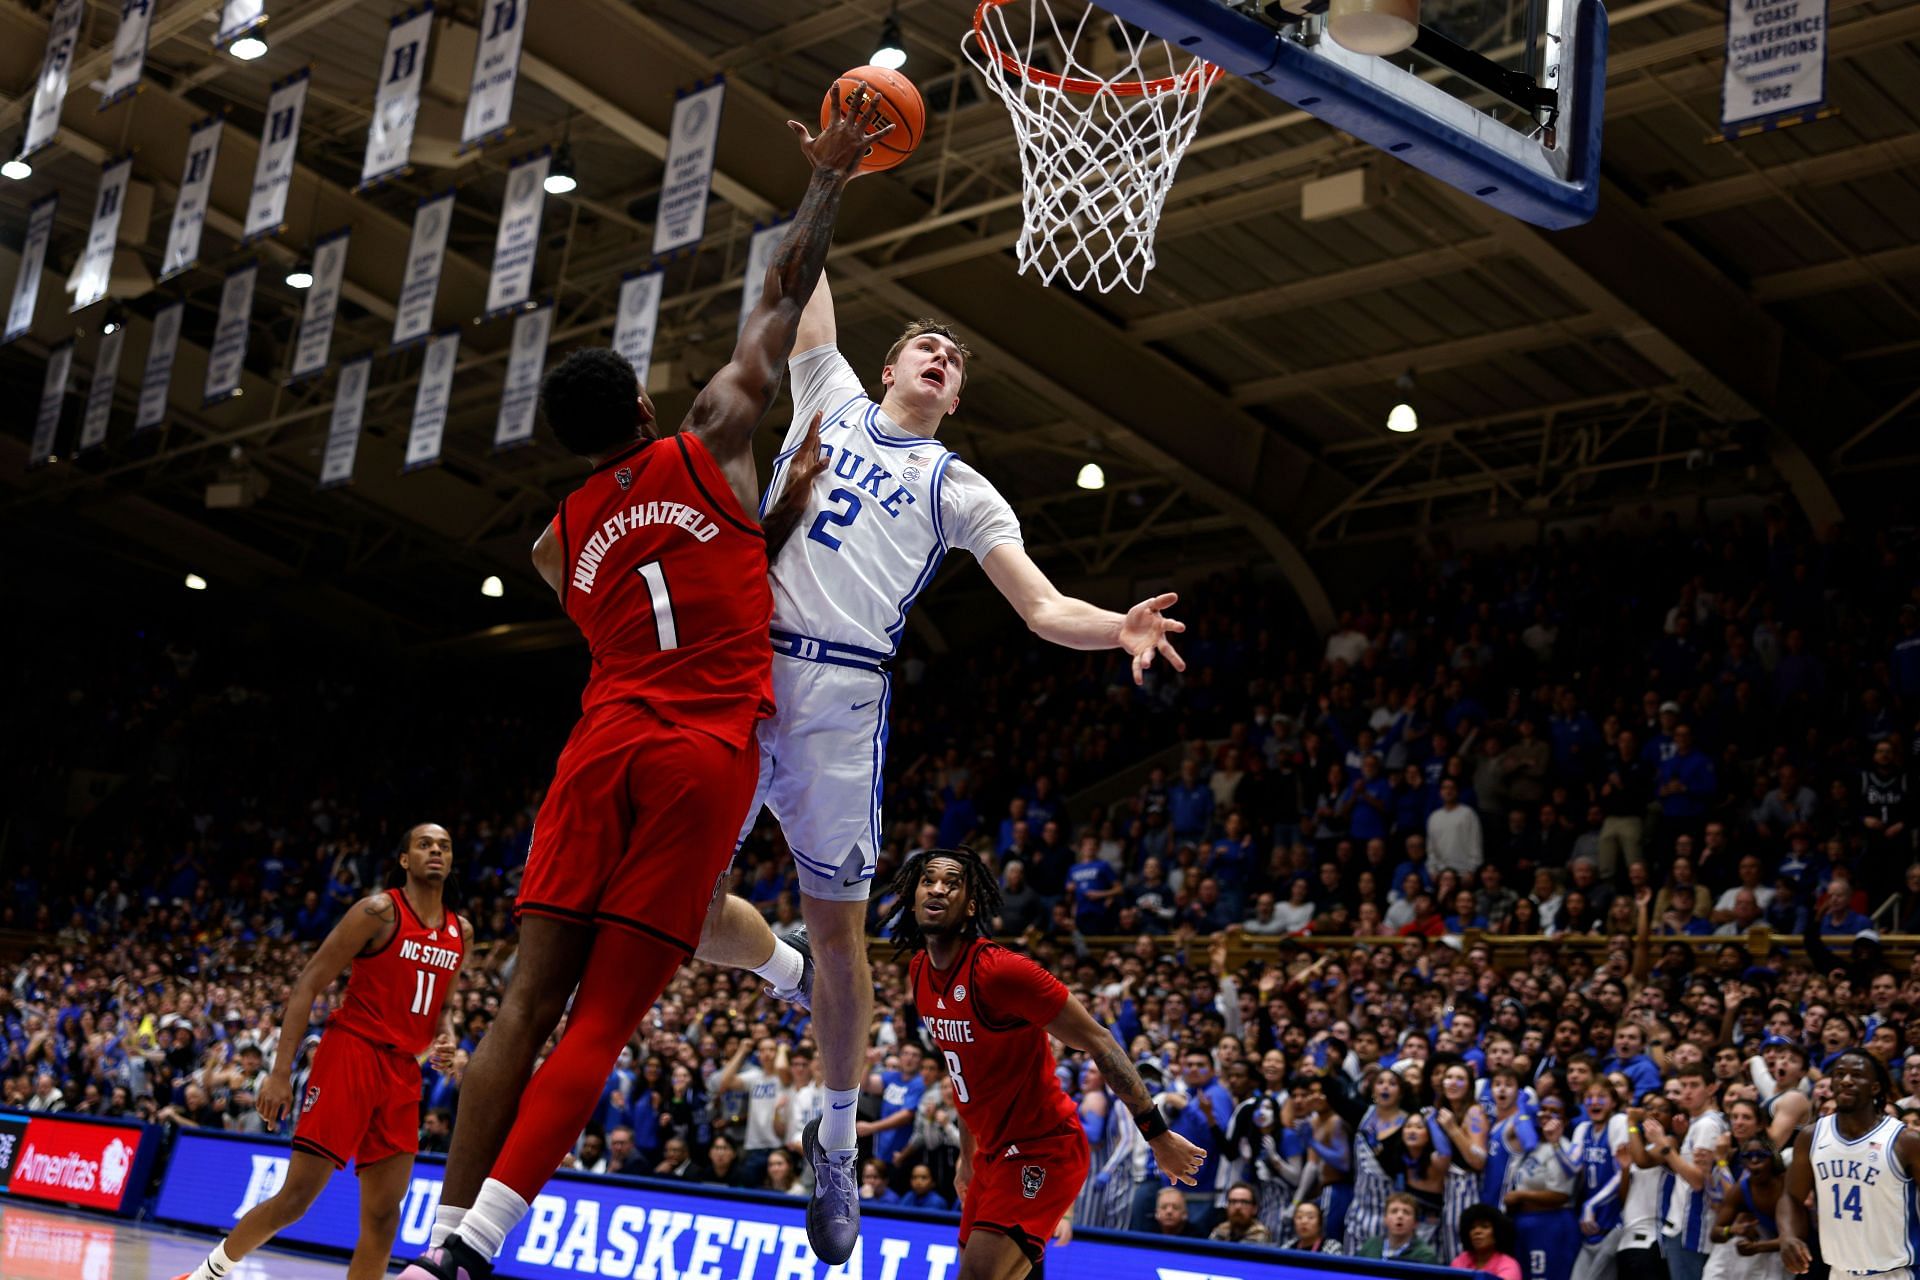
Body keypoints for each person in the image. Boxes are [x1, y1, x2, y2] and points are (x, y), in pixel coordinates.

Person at [396, 97, 884, 1280]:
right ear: (649, 411)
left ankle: (434, 1245)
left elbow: (661, 592)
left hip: (598, 744)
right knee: (604, 1017)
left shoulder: (558, 544)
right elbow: (781, 293)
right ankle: (477, 1250)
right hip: (697, 753)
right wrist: (825, 181)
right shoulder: (711, 431)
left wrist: (761, 523)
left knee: (523, 1003)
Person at [687, 224, 1188, 1265]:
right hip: (745, 667)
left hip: (841, 699)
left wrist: (1121, 628)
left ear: (955, 397)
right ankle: (780, 973)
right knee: (675, 908)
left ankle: (834, 1142)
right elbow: (805, 272)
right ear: (889, 365)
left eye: (956, 362)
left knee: (844, 933)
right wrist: (831, 176)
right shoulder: (825, 390)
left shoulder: (960, 487)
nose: (942, 359)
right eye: (928, 348)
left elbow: (1044, 606)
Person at [887, 847, 1204, 1279]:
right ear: (912, 895)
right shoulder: (920, 971)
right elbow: (964, 1074)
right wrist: (967, 1155)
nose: (938, 888)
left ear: (971, 905)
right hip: (991, 1155)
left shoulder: (1000, 972)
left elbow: (1100, 1041)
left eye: (953, 882)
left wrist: (1157, 1133)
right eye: (928, 880)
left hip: (1044, 1147)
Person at [176, 824, 465, 1280]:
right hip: (351, 1053)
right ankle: (209, 1273)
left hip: (403, 1071)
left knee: (385, 1215)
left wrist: (449, 1040)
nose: (436, 851)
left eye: (444, 846)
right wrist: (278, 1073)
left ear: (451, 861)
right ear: (405, 859)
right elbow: (309, 982)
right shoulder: (378, 912)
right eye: (424, 844)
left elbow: (445, 1005)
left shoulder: (459, 931)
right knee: (296, 1199)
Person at [1779, 1050, 1917, 1279]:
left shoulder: (1905, 1142)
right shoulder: (1812, 1136)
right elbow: (1791, 1196)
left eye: (1856, 1074)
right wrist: (1788, 1235)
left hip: (1896, 1272)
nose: (1845, 1080)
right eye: (1840, 1074)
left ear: (1874, 1088)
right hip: (1839, 1272)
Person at [1503, 1098, 1581, 1280]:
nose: (1546, 1114)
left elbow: (1561, 1195)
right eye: (1543, 1109)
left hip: (1551, 1224)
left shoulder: (1563, 1149)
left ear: (1565, 1121)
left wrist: (1521, 1195)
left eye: (1554, 1111)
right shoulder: (1533, 1145)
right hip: (1524, 1223)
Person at [1570, 1080, 1631, 1280]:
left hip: (1614, 1221)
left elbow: (1621, 1173)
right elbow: (1572, 1167)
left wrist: (1591, 1205)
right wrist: (1554, 1144)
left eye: (1601, 1097)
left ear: (1614, 1102)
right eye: (1589, 1097)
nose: (1594, 1102)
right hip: (1590, 1225)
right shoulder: (1582, 1129)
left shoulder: (1618, 1123)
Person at [1707, 1136, 1783, 1280]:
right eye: (1748, 1156)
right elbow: (1715, 1233)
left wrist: (1758, 1247)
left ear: (1773, 1159)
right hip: (1769, 1254)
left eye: (1760, 1156)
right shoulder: (1740, 1191)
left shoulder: (1786, 1185)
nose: (1754, 1161)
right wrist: (1732, 1230)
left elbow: (1796, 1237)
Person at [1356, 1192, 1441, 1264]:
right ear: (1385, 1219)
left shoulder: (1425, 1255)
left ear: (1415, 1223)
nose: (1400, 1216)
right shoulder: (1371, 1245)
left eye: (1406, 1212)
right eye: (1394, 1211)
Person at [1453, 1204, 1525, 1279]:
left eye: (1485, 1227)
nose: (1477, 1231)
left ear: (1497, 1232)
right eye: (1472, 1227)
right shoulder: (1460, 1261)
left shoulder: (1509, 1265)